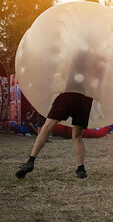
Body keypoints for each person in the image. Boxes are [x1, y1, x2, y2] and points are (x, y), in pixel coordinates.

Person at [15, 49, 104, 179]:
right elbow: (97, 81)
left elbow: (60, 74)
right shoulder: (95, 62)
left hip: (67, 95)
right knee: (77, 136)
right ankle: (81, 169)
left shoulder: (71, 58)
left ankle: (30, 161)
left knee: (46, 127)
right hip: (84, 98)